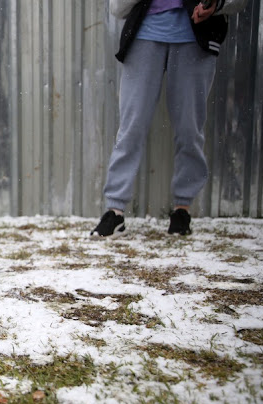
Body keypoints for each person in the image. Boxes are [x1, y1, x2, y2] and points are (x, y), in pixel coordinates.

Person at [91, 0, 249, 239]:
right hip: (144, 35)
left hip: (195, 38)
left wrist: (216, 4)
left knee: (189, 129)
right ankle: (115, 210)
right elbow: (116, 7)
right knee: (131, 127)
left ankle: (182, 210)